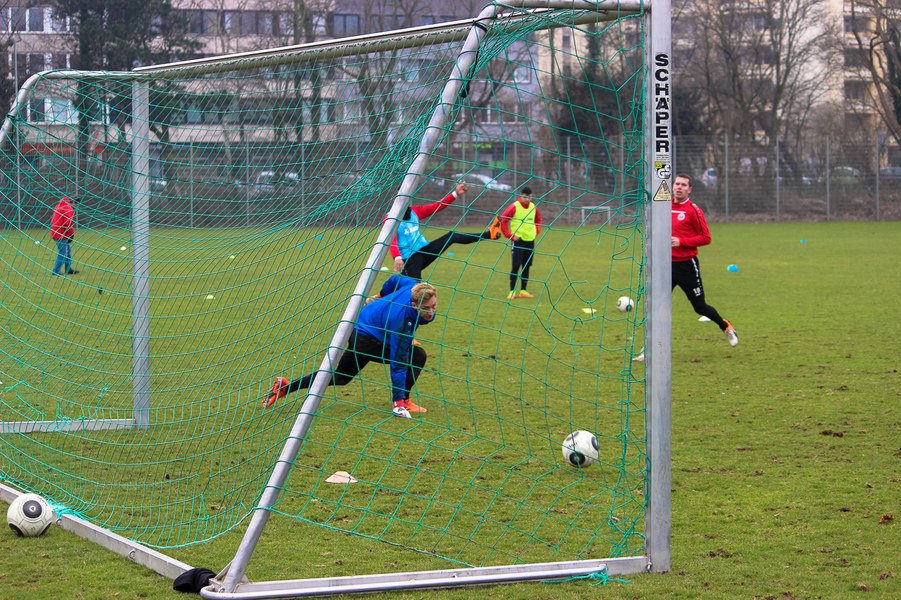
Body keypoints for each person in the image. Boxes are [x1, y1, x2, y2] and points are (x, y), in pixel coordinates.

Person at [263, 275, 438, 418]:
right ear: (413, 305)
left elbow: (394, 279)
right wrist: (397, 402)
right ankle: (403, 402)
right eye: (426, 308)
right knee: (417, 355)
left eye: (434, 306)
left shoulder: (413, 287)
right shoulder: (402, 323)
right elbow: (398, 364)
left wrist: (379, 296)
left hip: (360, 326)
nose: (431, 312)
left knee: (341, 376)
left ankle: (285, 387)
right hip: (367, 339)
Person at [671, 173, 738, 347]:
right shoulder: (663, 207)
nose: (679, 187)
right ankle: (650, 347)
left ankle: (725, 326)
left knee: (700, 307)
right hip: (665, 265)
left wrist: (681, 242)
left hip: (687, 266)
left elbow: (706, 238)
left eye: (683, 185)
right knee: (657, 306)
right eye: (677, 184)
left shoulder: (693, 210)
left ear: (689, 189)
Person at [389, 182, 502, 280]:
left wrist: (455, 193)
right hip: (409, 259)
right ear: (395, 198)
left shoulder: (414, 211)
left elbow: (436, 206)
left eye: (407, 197)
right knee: (412, 289)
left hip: (425, 250)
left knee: (452, 236)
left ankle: (489, 234)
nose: (404, 199)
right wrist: (397, 257)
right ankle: (381, 295)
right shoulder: (390, 218)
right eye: (401, 197)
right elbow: (390, 239)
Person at [498, 186, 542, 299]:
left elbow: (538, 220)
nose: (528, 199)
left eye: (530, 197)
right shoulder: (514, 207)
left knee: (526, 265)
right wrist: (510, 235)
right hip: (518, 241)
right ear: (521, 196)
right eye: (525, 197)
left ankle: (523, 291)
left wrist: (536, 231)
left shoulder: (533, 207)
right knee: (516, 265)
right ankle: (512, 291)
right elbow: (503, 220)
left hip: (530, 241)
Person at [50, 196, 79, 275]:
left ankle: (68, 269)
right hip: (60, 234)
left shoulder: (59, 206)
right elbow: (68, 223)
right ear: (72, 202)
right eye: (76, 203)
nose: (76, 205)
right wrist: (71, 234)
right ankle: (56, 271)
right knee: (63, 252)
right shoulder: (68, 208)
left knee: (68, 251)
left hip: (56, 232)